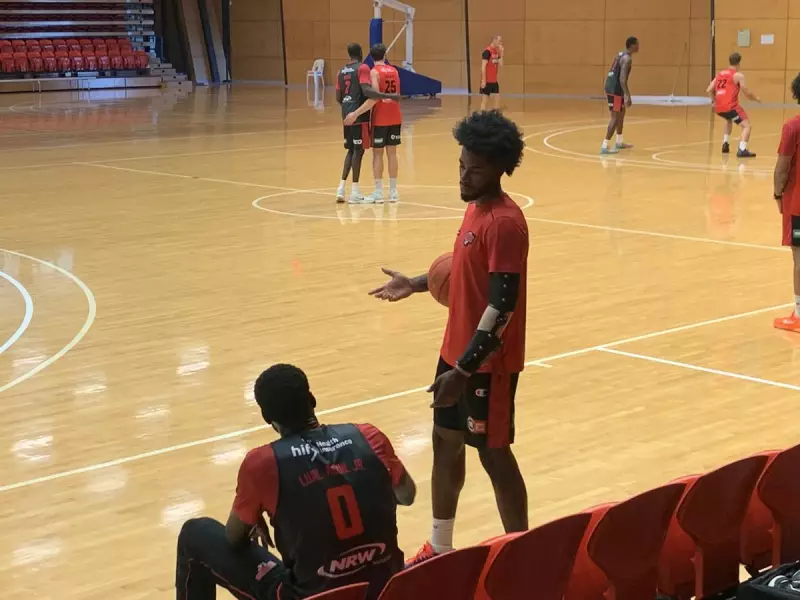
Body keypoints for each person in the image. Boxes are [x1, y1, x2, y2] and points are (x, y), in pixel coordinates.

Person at [367, 110, 529, 566]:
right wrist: (417, 283)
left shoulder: (505, 223)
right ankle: (440, 547)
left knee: (494, 456)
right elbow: (464, 275)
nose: (463, 175)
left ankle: (523, 549)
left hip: (486, 365)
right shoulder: (475, 208)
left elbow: (503, 306)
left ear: (498, 168)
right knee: (445, 443)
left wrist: (464, 370)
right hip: (454, 353)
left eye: (474, 169)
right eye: (461, 165)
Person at [175, 364, 416, 600]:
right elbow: (407, 495)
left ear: (266, 417)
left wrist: (255, 512)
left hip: (313, 596)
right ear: (312, 399)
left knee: (195, 534)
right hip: (385, 590)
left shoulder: (262, 464)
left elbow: (234, 537)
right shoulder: (369, 436)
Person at [336, 43, 398, 204]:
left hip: (373, 116)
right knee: (390, 153)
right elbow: (385, 93)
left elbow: (372, 97)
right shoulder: (393, 71)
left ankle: (376, 192)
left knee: (371, 153)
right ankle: (392, 192)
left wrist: (353, 112)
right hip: (393, 115)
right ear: (385, 55)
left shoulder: (370, 72)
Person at [773, 73, 800, 332]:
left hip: (798, 206)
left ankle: (799, 314)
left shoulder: (793, 126)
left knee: (799, 257)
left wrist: (777, 194)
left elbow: (782, 168)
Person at [707, 52, 760, 158]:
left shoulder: (720, 74)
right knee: (747, 126)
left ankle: (725, 144)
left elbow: (709, 90)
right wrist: (756, 99)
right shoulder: (738, 75)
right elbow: (745, 91)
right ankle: (742, 149)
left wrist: (715, 101)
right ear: (738, 64)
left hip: (719, 108)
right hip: (731, 106)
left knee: (728, 119)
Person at [602, 36, 639, 155]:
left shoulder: (621, 54)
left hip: (614, 86)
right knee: (615, 118)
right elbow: (622, 79)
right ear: (632, 45)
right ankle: (604, 146)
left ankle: (619, 141)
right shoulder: (627, 59)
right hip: (615, 89)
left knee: (621, 113)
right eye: (637, 44)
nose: (638, 46)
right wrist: (627, 95)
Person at [480, 36, 503, 111]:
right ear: (494, 40)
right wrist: (483, 80)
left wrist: (501, 53)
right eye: (499, 41)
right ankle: (482, 116)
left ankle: (496, 116)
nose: (500, 43)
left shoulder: (496, 52)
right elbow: (483, 67)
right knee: (485, 101)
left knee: (497, 99)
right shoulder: (487, 52)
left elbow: (501, 64)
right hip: (487, 80)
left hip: (494, 81)